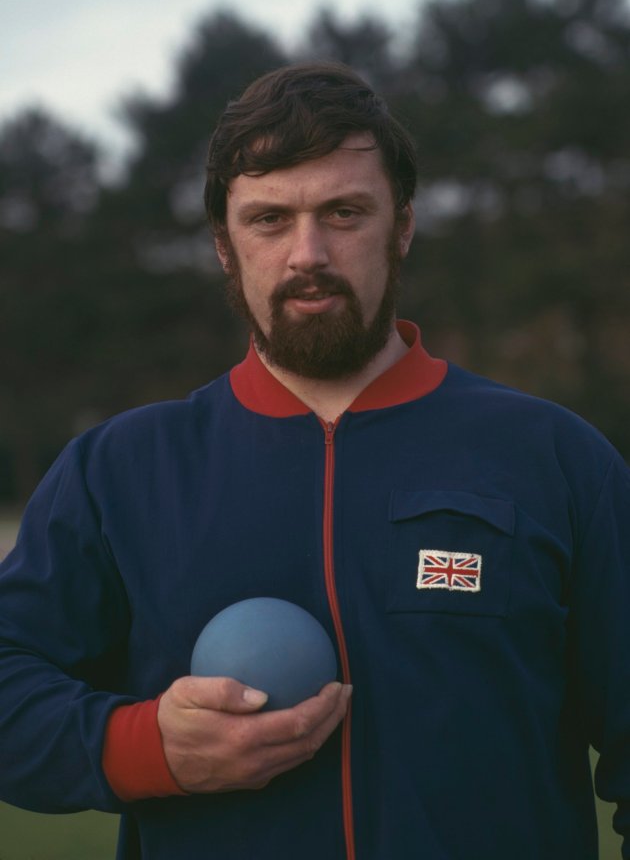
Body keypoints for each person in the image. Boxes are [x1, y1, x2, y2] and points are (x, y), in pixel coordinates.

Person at [0, 61, 629, 860]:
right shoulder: (120, 471)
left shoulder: (555, 459)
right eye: (268, 219)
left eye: (344, 212)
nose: (309, 253)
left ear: (401, 227)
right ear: (225, 246)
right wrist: (147, 747)